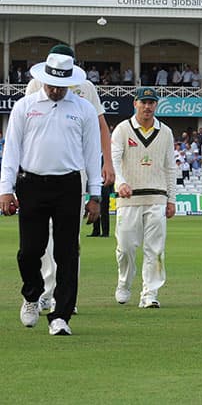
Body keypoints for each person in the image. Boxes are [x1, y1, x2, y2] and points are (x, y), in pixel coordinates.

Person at [1, 50, 102, 336]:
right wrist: (5, 190)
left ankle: (61, 315)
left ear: (71, 82)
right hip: (31, 184)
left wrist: (94, 195)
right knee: (29, 251)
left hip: (69, 185)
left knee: (67, 253)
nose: (56, 90)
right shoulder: (24, 106)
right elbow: (12, 151)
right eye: (52, 85)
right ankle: (32, 295)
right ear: (44, 80)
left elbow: (93, 154)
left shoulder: (82, 109)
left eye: (61, 86)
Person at [25, 45, 114, 310]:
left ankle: (64, 294)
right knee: (43, 238)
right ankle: (46, 291)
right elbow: (30, 125)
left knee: (68, 237)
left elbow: (100, 126)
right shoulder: (36, 85)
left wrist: (107, 162)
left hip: (75, 172)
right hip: (41, 171)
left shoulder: (85, 87)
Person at [111, 87, 177, 308]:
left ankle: (150, 293)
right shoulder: (122, 129)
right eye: (143, 102)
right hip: (129, 198)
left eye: (151, 102)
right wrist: (120, 183)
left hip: (157, 197)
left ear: (156, 105)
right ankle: (124, 283)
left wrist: (171, 199)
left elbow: (170, 167)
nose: (147, 106)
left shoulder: (165, 131)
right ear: (135, 104)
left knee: (155, 249)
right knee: (126, 247)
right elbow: (114, 160)